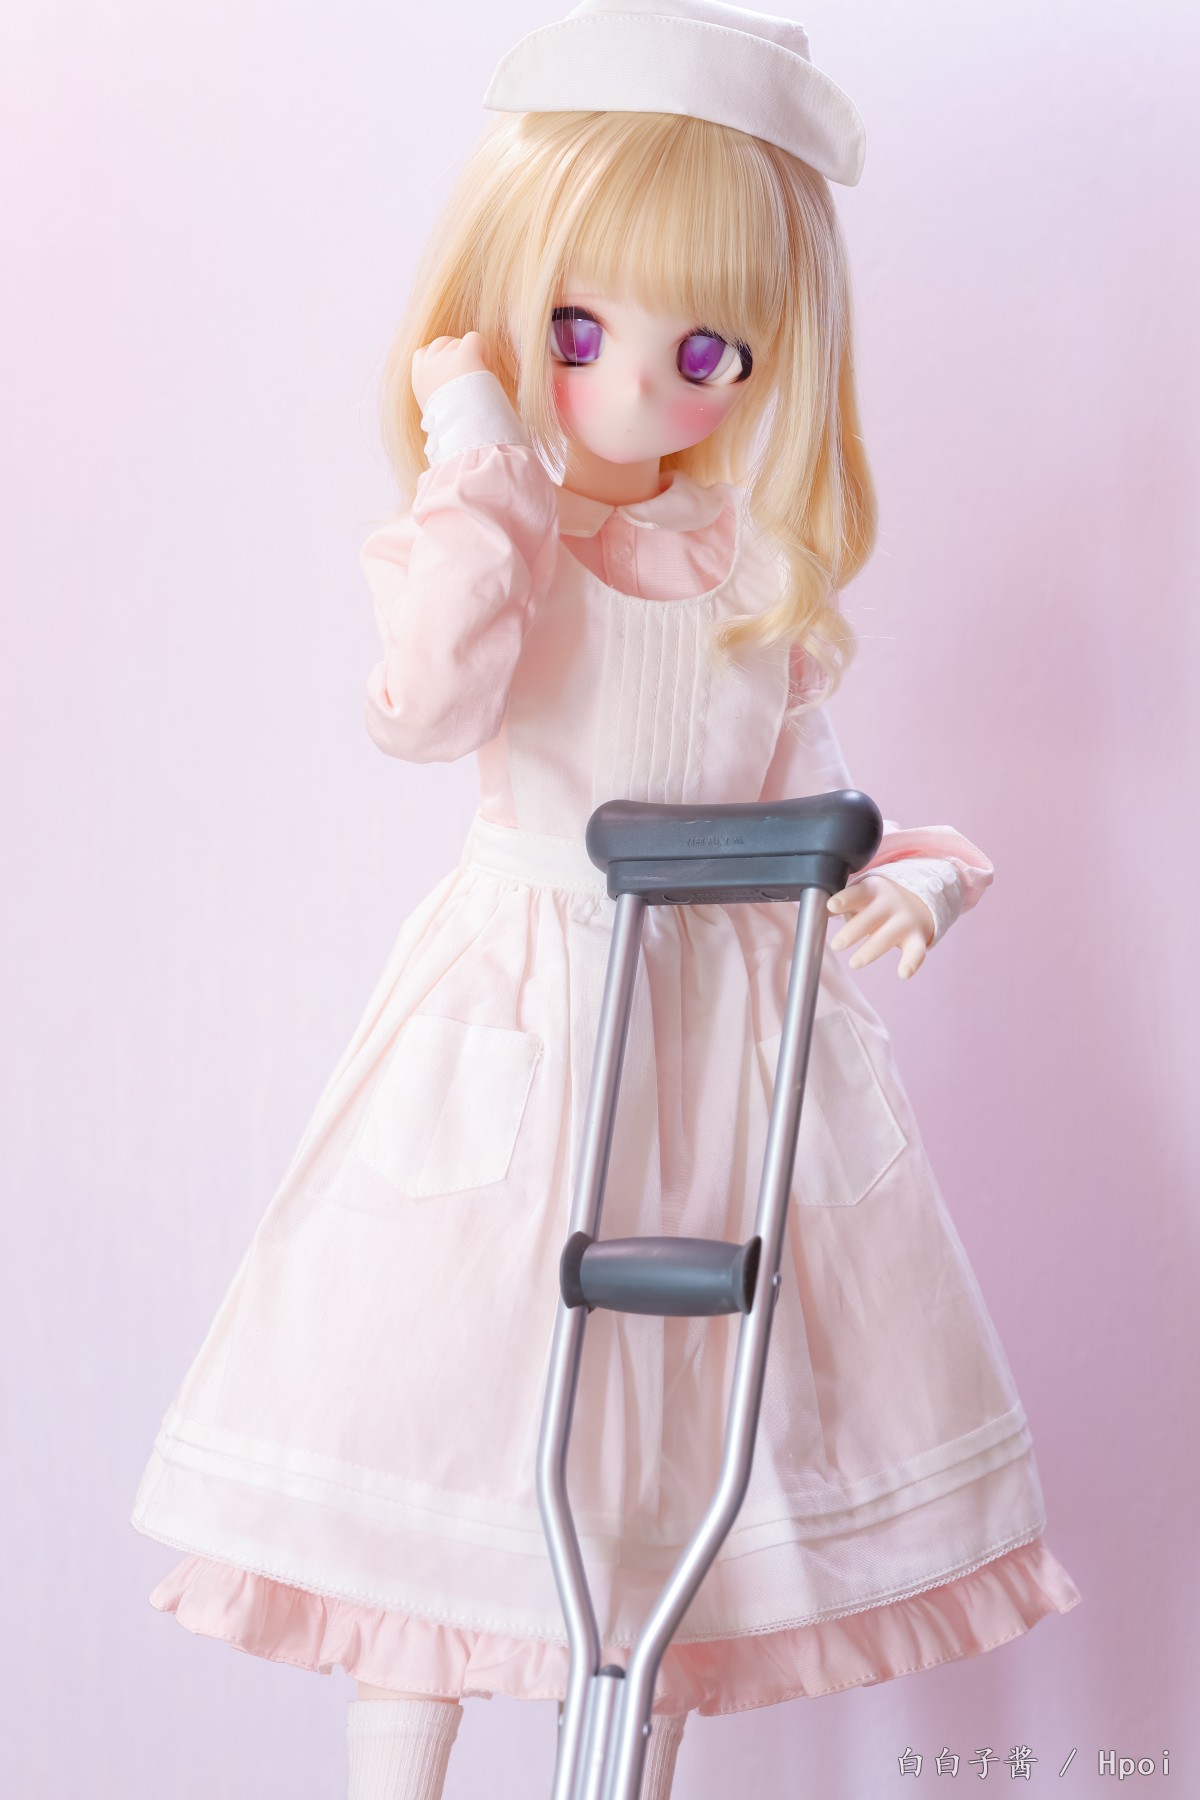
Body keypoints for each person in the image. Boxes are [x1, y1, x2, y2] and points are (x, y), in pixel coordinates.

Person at [130, 5, 1082, 1796]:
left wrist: (930, 881)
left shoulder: (754, 577)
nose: (644, 384)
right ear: (509, 312)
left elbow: (818, 813)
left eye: (706, 348)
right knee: (446, 1431)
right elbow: (426, 709)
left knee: (667, 1480)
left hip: (716, 1064)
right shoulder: (497, 544)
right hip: (532, 1025)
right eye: (583, 331)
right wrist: (480, 459)